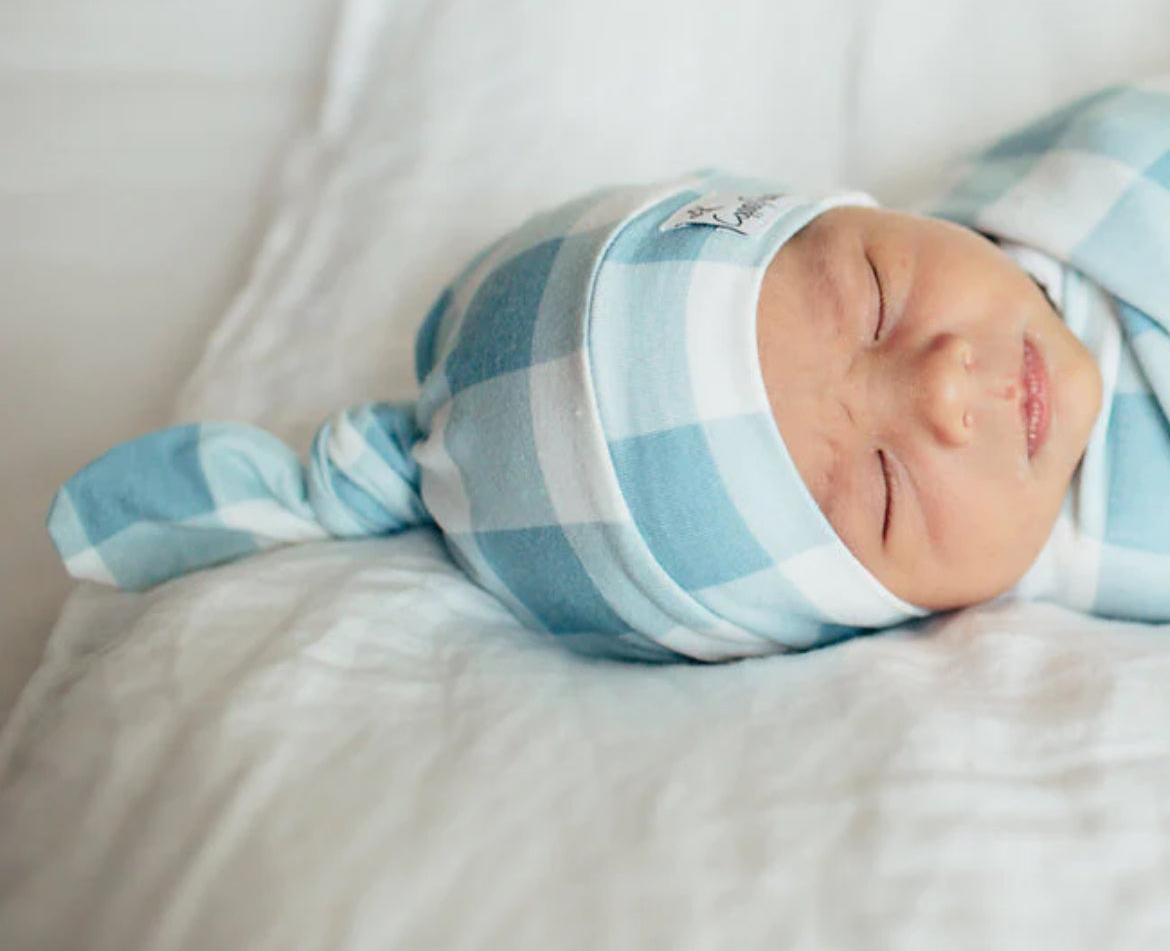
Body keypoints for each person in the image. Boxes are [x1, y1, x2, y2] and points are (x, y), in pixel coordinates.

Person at [45, 81, 1170, 661]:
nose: (939, 387)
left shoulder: (1092, 171)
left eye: (876, 293)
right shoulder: (1093, 581)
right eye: (881, 496)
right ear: (875, 616)